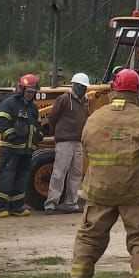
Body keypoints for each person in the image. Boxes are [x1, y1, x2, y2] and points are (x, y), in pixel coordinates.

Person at [69, 69, 139, 278]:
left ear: (114, 88)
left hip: (100, 188)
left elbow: (86, 147)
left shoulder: (96, 116)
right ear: (138, 89)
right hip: (135, 190)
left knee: (90, 236)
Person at [0, 74, 41, 217]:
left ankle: (17, 207)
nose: (30, 95)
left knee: (22, 178)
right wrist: (11, 136)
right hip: (11, 149)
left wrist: (38, 136)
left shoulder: (33, 108)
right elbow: (1, 121)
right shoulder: (10, 103)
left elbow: (36, 125)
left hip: (26, 150)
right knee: (6, 177)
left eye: (33, 93)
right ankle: (1, 208)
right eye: (28, 92)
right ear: (21, 90)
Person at [45, 72, 90, 214]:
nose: (83, 89)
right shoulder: (64, 99)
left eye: (84, 87)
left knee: (76, 173)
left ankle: (71, 202)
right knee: (59, 172)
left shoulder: (85, 101)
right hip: (64, 141)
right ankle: (51, 203)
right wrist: (58, 133)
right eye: (81, 86)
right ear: (74, 85)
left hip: (78, 141)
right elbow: (53, 117)